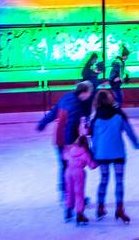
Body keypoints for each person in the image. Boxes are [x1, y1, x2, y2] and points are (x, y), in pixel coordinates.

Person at [36, 81, 95, 217]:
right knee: (72, 169)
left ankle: (65, 195)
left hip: (59, 139)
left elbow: (54, 112)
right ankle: (70, 196)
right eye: (89, 92)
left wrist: (43, 122)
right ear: (84, 92)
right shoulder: (76, 105)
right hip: (67, 142)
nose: (90, 95)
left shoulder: (66, 96)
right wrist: (71, 146)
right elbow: (70, 126)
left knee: (65, 168)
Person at [87, 89, 139, 223]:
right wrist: (136, 143)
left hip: (102, 154)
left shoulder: (94, 118)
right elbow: (129, 131)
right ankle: (119, 209)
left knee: (104, 180)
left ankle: (100, 207)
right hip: (118, 152)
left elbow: (93, 137)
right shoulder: (119, 114)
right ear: (111, 100)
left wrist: (94, 153)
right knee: (119, 181)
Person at [64, 126, 97, 225]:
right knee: (79, 193)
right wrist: (99, 161)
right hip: (79, 173)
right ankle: (79, 214)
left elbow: (64, 156)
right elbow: (92, 165)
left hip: (68, 172)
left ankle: (68, 211)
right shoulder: (85, 153)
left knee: (69, 191)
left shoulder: (70, 150)